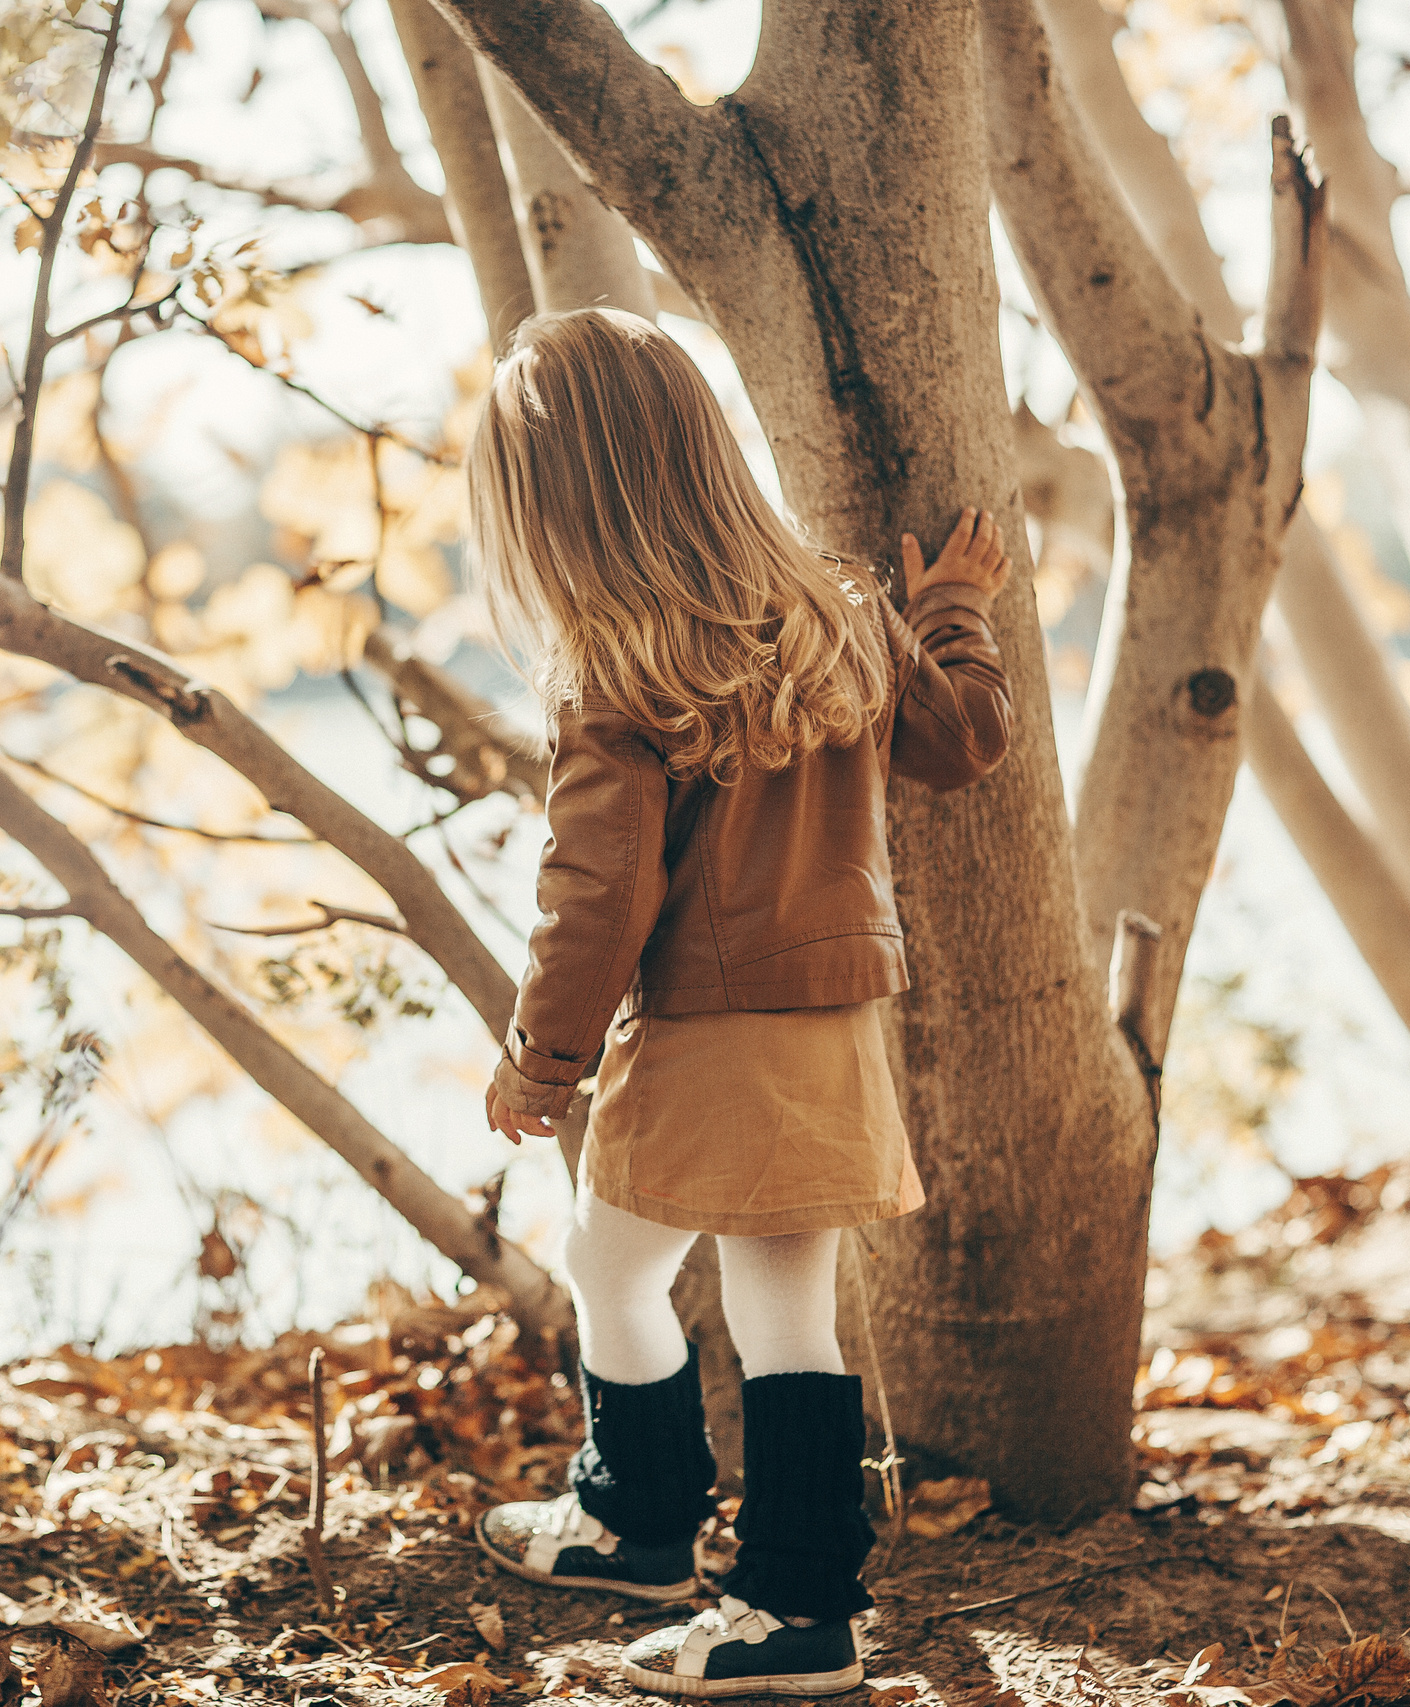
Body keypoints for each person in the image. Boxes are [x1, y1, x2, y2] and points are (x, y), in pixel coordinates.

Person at [466, 308, 1013, 1698]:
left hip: (709, 1031)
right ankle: (755, 1584)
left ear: (556, 508)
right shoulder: (841, 617)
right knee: (781, 1313)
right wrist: (952, 613)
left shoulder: (618, 668)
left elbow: (597, 896)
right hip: (834, 1027)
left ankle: (673, 1542)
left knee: (612, 1268)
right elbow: (964, 740)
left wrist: (541, 1060)